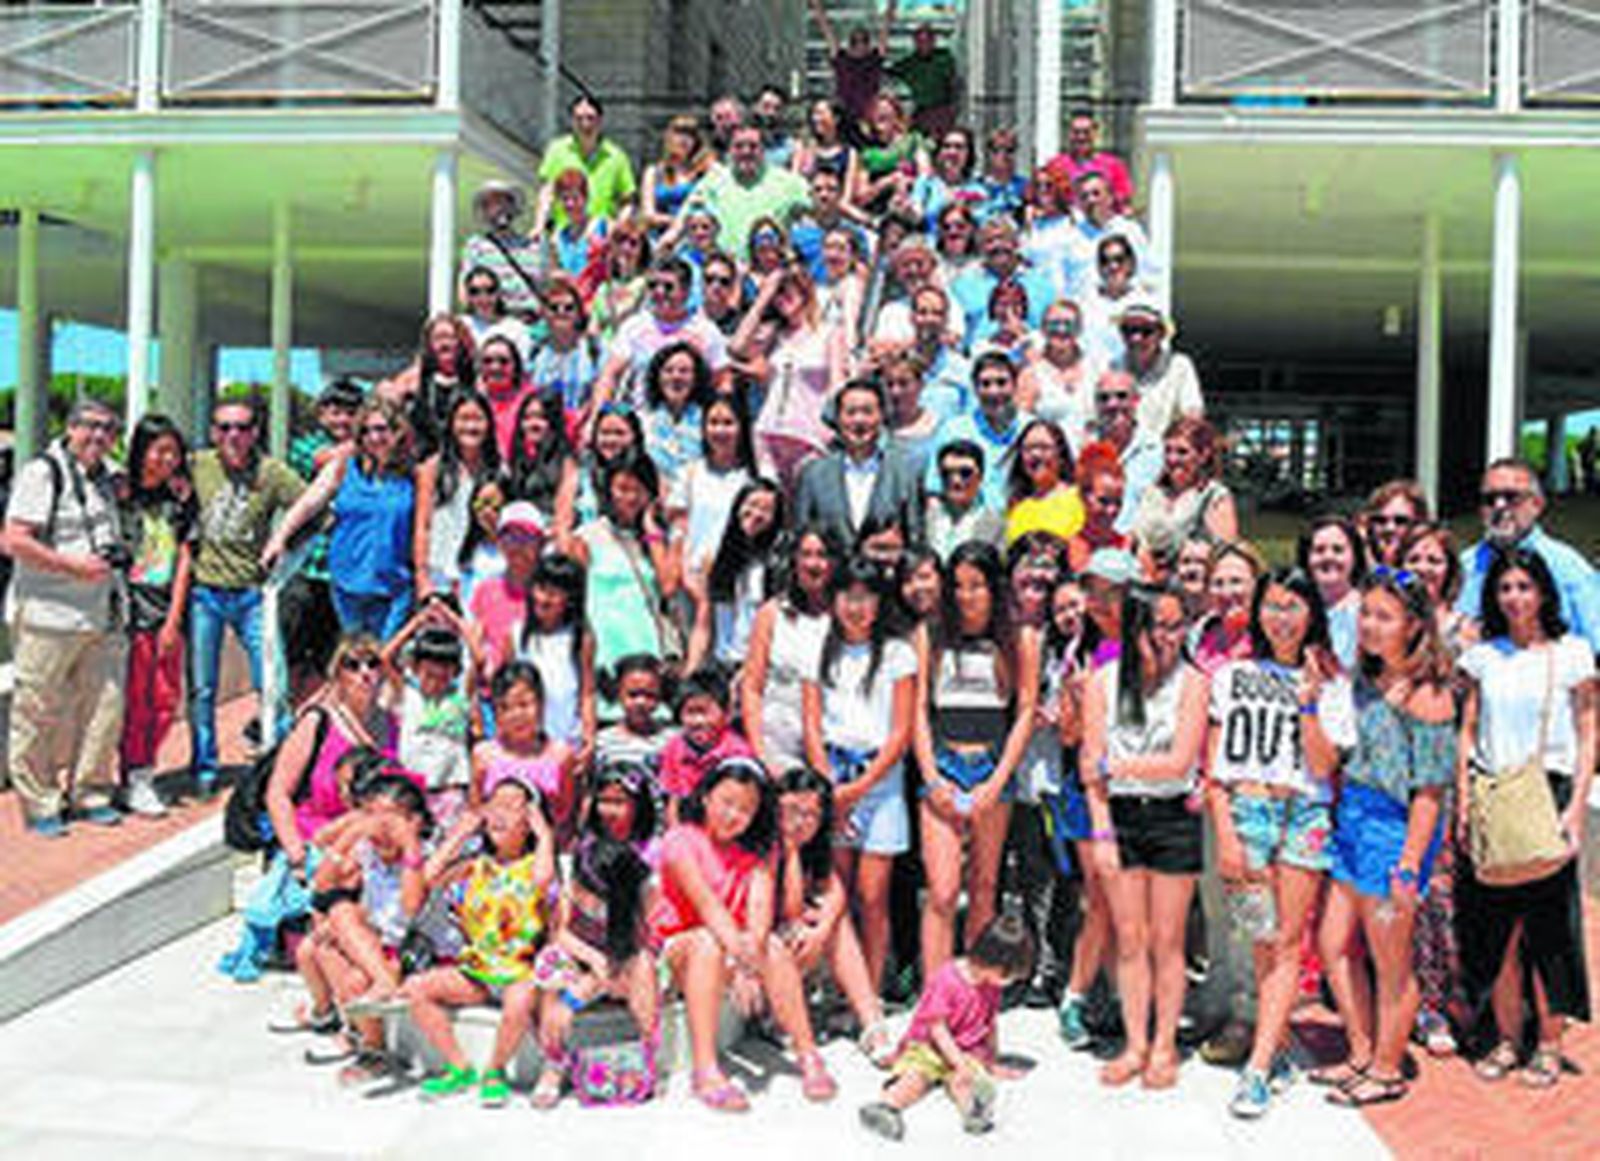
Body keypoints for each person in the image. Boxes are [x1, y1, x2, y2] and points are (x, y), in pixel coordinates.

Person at [1207, 569, 1352, 1119]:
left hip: (1303, 814)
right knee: (1261, 941)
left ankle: (1260, 1067)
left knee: (1288, 943)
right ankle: (1276, 1043)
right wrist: (1225, 833)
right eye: (1272, 605)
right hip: (1247, 814)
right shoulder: (1232, 675)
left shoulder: (1331, 682)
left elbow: (1321, 766)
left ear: (1311, 614)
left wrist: (1311, 701)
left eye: (1293, 607)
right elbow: (1216, 768)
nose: (1282, 617)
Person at [1315, 569, 1454, 1109]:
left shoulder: (1429, 696)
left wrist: (1408, 866)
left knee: (1392, 962)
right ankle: (1361, 1048)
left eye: (1384, 616)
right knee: (1333, 944)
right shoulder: (1365, 679)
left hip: (1395, 831)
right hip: (1354, 817)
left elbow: (1430, 792)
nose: (1370, 625)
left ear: (1414, 625)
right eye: (1365, 613)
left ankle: (1387, 1068)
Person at [1457, 548, 1594, 1089]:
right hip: (1493, 794)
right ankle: (1509, 1039)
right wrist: (1466, 802)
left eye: (1524, 587)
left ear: (1543, 592)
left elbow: (1589, 733)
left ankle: (1551, 1044)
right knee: (1500, 934)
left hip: (1546, 794)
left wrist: (1575, 809)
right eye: (1505, 588)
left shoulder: (1572, 653)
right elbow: (1466, 731)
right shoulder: (1483, 657)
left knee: (1549, 932)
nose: (1514, 597)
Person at [651, 756, 839, 1111]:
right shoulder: (680, 840)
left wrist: (748, 965)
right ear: (706, 797)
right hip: (681, 949)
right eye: (726, 802)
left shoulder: (759, 850)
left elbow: (759, 916)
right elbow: (708, 908)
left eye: (745, 809)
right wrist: (741, 962)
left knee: (769, 944)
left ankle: (807, 1053)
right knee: (708, 939)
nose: (732, 815)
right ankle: (705, 1069)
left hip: (733, 946)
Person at [1081, 587, 1209, 1089]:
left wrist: (1114, 765)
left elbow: (1180, 762)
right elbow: (1087, 769)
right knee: (1129, 937)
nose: (1168, 637)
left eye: (1178, 626)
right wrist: (1102, 832)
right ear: (1134, 628)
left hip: (1173, 816)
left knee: (1168, 939)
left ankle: (1164, 1045)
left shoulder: (1193, 683)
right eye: (1158, 625)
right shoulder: (1102, 683)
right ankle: (1135, 1044)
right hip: (1121, 816)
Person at [914, 541, 1041, 977]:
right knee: (943, 891)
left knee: (985, 886)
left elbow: (1025, 710)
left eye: (977, 586)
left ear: (994, 588)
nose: (966, 596)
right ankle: (935, 1003)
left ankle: (978, 999)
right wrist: (931, 777)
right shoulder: (930, 633)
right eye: (959, 585)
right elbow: (916, 712)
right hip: (944, 762)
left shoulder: (1018, 637)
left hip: (992, 766)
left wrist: (997, 780)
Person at [4, 398, 129, 835]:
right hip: (48, 613)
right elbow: (14, 540)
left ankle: (90, 791)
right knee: (37, 710)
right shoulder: (43, 472)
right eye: (89, 427)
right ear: (70, 428)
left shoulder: (106, 478)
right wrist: (75, 567)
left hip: (102, 612)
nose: (98, 436)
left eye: (108, 429)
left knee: (104, 708)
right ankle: (39, 801)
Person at [802, 555, 918, 990]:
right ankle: (834, 987)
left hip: (880, 781)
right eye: (847, 596)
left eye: (866, 597)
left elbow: (901, 730)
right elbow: (811, 723)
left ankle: (867, 991)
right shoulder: (818, 646)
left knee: (873, 896)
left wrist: (862, 786)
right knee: (835, 891)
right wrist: (830, 785)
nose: (856, 606)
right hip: (832, 774)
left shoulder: (897, 653)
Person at [404, 779, 558, 1107]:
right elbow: (427, 877)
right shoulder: (475, 865)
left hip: (520, 970)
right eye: (494, 805)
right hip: (478, 971)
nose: (498, 814)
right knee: (417, 989)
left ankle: (496, 1070)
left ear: (530, 819)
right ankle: (459, 1067)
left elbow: (544, 880)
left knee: (519, 1002)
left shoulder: (536, 865)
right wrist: (460, 834)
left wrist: (545, 836)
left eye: (511, 806)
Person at [189, 397, 305, 796]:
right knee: (203, 687)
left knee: (271, 682)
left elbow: (316, 509)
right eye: (223, 427)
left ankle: (281, 766)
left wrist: (282, 543)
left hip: (252, 594)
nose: (233, 435)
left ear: (255, 432)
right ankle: (205, 767)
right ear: (212, 433)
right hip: (205, 592)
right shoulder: (198, 465)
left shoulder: (272, 473)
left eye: (241, 427)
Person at [857, 914, 1034, 1141]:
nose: (1011, 983)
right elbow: (936, 1028)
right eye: (1011, 977)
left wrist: (991, 1060)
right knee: (916, 1078)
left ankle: (974, 1111)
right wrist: (957, 1062)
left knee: (966, 1080)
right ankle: (886, 1106)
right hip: (928, 1047)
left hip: (965, 1049)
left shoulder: (991, 985)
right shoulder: (947, 979)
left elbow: (990, 1022)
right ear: (997, 965)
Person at [263, 398, 416, 640]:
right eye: (366, 431)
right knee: (356, 662)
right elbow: (309, 502)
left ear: (398, 430)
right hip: (347, 584)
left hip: (394, 587)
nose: (374, 437)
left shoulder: (414, 474)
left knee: (386, 661)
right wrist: (279, 538)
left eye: (381, 429)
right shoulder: (345, 467)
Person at [530, 832, 660, 1108]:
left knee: (645, 966)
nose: (578, 894)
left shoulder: (641, 898)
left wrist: (589, 986)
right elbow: (560, 934)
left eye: (587, 892)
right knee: (550, 963)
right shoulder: (571, 890)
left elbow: (641, 948)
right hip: (587, 964)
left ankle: (645, 1051)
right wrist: (590, 964)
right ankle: (553, 1062)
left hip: (624, 967)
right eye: (577, 885)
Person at [774, 767, 895, 1061]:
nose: (799, 822)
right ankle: (779, 1019)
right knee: (802, 926)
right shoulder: (765, 844)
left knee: (835, 921)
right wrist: (789, 851)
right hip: (764, 948)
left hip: (796, 939)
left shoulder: (815, 848)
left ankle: (871, 1024)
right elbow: (788, 909)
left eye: (810, 815)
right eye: (791, 810)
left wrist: (823, 928)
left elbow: (836, 889)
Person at [117, 413, 197, 817]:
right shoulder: (119, 494)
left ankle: (140, 771)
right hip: (126, 615)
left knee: (165, 700)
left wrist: (173, 619)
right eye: (159, 450)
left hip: (165, 614)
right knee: (134, 703)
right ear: (141, 451)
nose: (167, 459)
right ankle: (134, 776)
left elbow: (185, 558)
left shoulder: (179, 500)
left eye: (173, 451)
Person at [1457, 457, 1600, 653]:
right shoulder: (1462, 566)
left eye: (1511, 497)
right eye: (1490, 499)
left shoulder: (1570, 568)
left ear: (1537, 504)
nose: (1499, 506)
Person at [571, 453, 679, 698]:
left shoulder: (662, 540)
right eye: (622, 489)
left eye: (638, 490)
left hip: (647, 648)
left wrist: (652, 532)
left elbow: (668, 586)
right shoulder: (588, 537)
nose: (630, 497)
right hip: (605, 650)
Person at [283, 379, 361, 697]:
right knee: (290, 652)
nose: (342, 420)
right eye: (334, 411)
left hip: (345, 572)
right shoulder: (303, 447)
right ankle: (276, 720)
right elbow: (324, 460)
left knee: (335, 661)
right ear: (320, 414)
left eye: (350, 413)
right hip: (306, 567)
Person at [740, 264, 848, 491]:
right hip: (768, 431)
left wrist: (833, 428)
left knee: (803, 509)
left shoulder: (829, 332)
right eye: (777, 294)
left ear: (805, 292)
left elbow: (838, 384)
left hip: (810, 435)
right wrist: (762, 299)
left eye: (787, 292)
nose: (781, 299)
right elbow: (737, 348)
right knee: (771, 503)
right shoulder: (774, 334)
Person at [741, 526, 840, 775]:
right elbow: (752, 686)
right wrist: (760, 752)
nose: (813, 564)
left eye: (822, 555)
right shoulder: (773, 613)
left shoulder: (846, 615)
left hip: (831, 745)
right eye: (805, 555)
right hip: (778, 744)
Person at [793, 377, 924, 552]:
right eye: (851, 412)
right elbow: (801, 536)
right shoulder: (813, 474)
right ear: (838, 418)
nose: (859, 420)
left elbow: (915, 539)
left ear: (881, 417)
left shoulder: (905, 472)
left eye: (868, 412)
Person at [381, 604, 477, 831]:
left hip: (449, 790)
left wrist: (454, 620)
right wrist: (416, 622)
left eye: (443, 676)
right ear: (414, 668)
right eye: (429, 675)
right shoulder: (407, 694)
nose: (435, 682)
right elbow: (386, 656)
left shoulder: (459, 695)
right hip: (413, 791)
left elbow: (478, 656)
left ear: (454, 672)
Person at [685, 478, 784, 672]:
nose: (756, 514)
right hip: (724, 663)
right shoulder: (718, 555)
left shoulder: (777, 561)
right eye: (752, 505)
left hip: (761, 666)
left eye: (766, 510)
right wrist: (691, 669)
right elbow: (703, 622)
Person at [413, 391, 501, 600]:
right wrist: (422, 576)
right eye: (463, 419)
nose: (470, 427)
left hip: (481, 573)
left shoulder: (499, 470)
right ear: (451, 424)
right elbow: (422, 526)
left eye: (478, 419)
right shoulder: (432, 468)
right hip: (439, 574)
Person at [514, 553, 596, 765]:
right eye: (540, 589)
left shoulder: (580, 640)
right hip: (525, 743)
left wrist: (589, 736)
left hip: (566, 741)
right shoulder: (516, 636)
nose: (544, 599)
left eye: (555, 593)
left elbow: (587, 692)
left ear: (570, 599)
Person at [925, 352, 1030, 514]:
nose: (994, 391)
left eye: (1001, 383)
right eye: (985, 384)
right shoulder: (954, 431)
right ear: (975, 389)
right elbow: (935, 492)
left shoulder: (1030, 429)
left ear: (1015, 385)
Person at [1131, 416, 1238, 575]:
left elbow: (1225, 553)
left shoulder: (1213, 496)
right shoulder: (1151, 493)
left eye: (1182, 452)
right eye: (1168, 450)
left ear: (1203, 455)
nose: (1172, 459)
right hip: (1143, 579)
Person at [686, 125, 810, 260]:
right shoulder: (712, 182)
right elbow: (685, 218)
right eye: (739, 146)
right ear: (730, 150)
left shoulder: (789, 183)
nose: (746, 152)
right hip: (725, 272)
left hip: (770, 270)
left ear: (763, 150)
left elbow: (821, 209)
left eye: (753, 146)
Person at [535, 94, 637, 232]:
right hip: (563, 235)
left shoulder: (617, 157)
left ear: (600, 121)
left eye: (590, 118)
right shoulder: (556, 150)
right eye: (579, 119)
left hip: (601, 237)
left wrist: (617, 228)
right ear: (571, 121)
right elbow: (547, 193)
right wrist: (539, 226)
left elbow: (627, 202)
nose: (585, 124)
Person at [1115, 298, 1204, 441]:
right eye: (1128, 331)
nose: (1136, 338)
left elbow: (1192, 414)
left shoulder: (1180, 366)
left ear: (1161, 334)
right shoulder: (1113, 367)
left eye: (1146, 331)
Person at [808, 0, 894, 140]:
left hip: (869, 118)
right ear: (849, 44)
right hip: (845, 116)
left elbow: (886, 28)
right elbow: (826, 29)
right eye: (855, 41)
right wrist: (817, 7)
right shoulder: (842, 60)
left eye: (864, 41)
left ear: (869, 44)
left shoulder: (874, 60)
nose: (859, 45)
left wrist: (891, 6)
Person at [458, 181, 542, 320]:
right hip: (496, 322)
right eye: (491, 204)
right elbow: (465, 291)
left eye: (503, 202)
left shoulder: (532, 246)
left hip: (531, 324)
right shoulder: (476, 246)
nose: (499, 209)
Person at [1018, 300, 1096, 449]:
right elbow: (1022, 425)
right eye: (1054, 324)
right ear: (1042, 329)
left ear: (1079, 329)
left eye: (1068, 324)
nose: (1061, 330)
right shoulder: (1032, 373)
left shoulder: (1096, 367)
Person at [1298, 515, 1367, 671]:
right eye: (1319, 550)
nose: (1328, 557)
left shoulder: (1369, 610)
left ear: (1354, 556)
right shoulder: (1295, 608)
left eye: (1338, 550)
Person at [1005, 418, 1085, 546]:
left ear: (1061, 454)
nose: (1035, 454)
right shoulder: (1016, 505)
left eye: (1044, 447)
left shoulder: (1080, 499)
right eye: (1028, 448)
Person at [1044, 109, 1136, 214]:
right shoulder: (1055, 165)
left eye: (1086, 132)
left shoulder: (1113, 165)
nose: (1081, 137)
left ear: (1095, 134)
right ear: (1069, 134)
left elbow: (1124, 203)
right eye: (1076, 132)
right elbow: (1044, 198)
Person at [924, 439, 1003, 559]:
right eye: (947, 473)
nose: (955, 480)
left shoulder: (996, 523)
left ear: (980, 476)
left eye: (965, 473)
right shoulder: (925, 517)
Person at [640, 114, 714, 236]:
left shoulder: (703, 172)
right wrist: (678, 222)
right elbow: (648, 215)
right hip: (660, 236)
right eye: (679, 133)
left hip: (694, 237)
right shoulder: (654, 172)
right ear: (669, 138)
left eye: (690, 135)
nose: (684, 139)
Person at [887, 22, 960, 139]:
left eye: (927, 40)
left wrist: (953, 110)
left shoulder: (944, 58)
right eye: (920, 41)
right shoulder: (910, 63)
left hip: (941, 111)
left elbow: (954, 84)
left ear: (933, 41)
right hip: (920, 113)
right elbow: (888, 71)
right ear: (915, 42)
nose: (923, 44)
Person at [1360, 479, 1430, 571]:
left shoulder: (1429, 561)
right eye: (1380, 520)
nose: (1389, 528)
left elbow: (1407, 582)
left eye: (1400, 521)